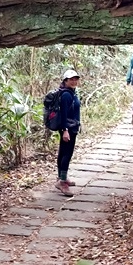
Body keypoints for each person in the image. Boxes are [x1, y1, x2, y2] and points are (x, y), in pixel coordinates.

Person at [54, 69, 81, 197]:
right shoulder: (66, 95)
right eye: (71, 79)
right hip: (68, 128)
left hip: (70, 127)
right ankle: (62, 182)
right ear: (65, 81)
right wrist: (65, 131)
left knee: (62, 152)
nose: (74, 81)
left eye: (75, 79)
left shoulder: (71, 93)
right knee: (67, 154)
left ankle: (61, 177)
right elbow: (64, 114)